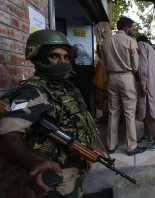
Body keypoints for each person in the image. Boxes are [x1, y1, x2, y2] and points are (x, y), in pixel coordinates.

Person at [0, 30, 97, 197]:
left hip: (74, 169)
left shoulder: (66, 88)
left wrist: (84, 150)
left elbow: (74, 122)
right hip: (56, 179)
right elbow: (7, 135)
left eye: (66, 57)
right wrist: (35, 161)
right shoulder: (33, 91)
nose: (63, 62)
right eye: (54, 56)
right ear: (38, 57)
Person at [102, 16, 145, 156]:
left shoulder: (107, 41)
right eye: (132, 28)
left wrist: (105, 79)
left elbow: (103, 63)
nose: (132, 30)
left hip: (111, 78)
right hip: (126, 78)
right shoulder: (131, 41)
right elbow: (136, 66)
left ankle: (110, 145)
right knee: (129, 113)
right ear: (126, 28)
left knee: (113, 112)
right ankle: (132, 146)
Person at [135, 35, 155, 150]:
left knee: (153, 112)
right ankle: (148, 136)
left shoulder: (141, 46)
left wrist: (143, 83)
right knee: (148, 112)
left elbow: (143, 65)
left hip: (148, 84)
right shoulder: (152, 50)